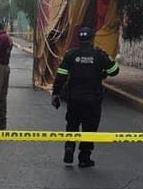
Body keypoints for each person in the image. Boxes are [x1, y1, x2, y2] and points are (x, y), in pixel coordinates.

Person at [51, 26, 119, 168]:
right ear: (92, 39)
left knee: (72, 125)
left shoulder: (70, 55)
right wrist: (107, 67)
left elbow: (61, 76)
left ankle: (69, 149)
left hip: (74, 99)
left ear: (79, 40)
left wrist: (55, 93)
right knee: (89, 129)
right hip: (93, 100)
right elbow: (114, 71)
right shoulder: (99, 55)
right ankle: (84, 158)